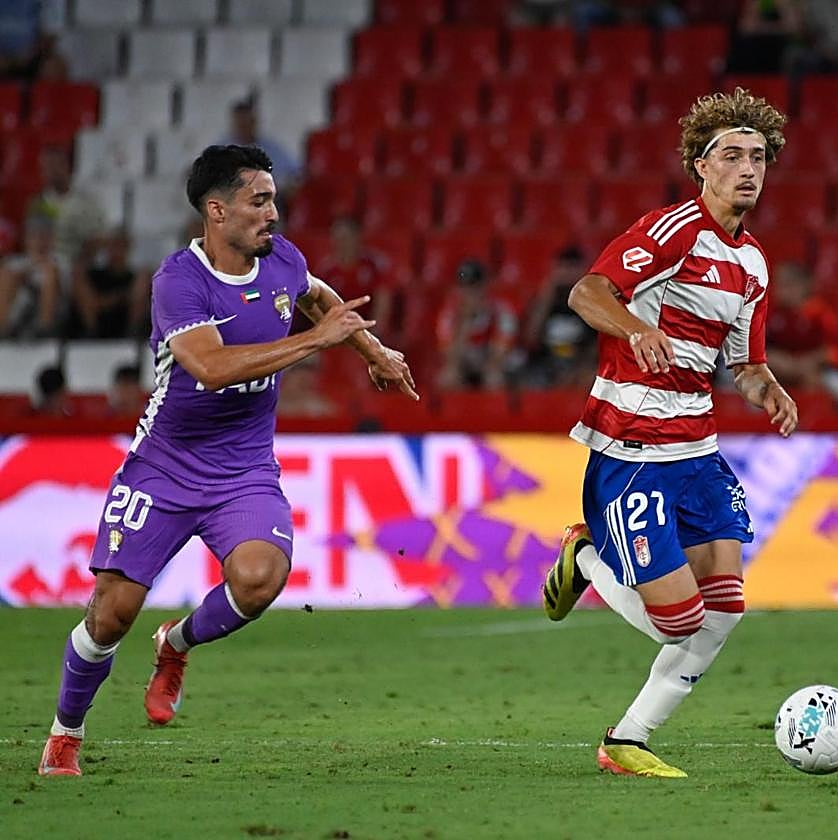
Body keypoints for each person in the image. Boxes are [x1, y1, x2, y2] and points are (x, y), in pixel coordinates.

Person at [36, 144, 418, 777]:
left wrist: (372, 350)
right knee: (110, 614)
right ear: (217, 211)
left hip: (242, 469)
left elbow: (321, 299)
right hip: (164, 465)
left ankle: (175, 644)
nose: (273, 213)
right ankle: (65, 733)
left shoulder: (283, 259)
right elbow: (210, 368)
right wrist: (314, 343)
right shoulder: (177, 282)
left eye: (273, 199)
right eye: (258, 201)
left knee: (261, 577)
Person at [540, 88, 798, 778]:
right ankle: (584, 556)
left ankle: (628, 740)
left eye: (759, 157)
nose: (748, 168)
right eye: (732, 155)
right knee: (675, 622)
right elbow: (587, 294)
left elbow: (743, 362)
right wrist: (638, 328)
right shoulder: (673, 230)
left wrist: (765, 386)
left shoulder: (753, 265)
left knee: (726, 609)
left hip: (699, 451)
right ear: (701, 166)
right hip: (634, 452)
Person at [764, 261, 838, 405]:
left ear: (803, 286)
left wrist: (807, 363)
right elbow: (758, 348)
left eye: (788, 285)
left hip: (816, 371)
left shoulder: (821, 313)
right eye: (779, 285)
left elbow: (833, 351)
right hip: (779, 370)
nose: (781, 290)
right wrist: (777, 361)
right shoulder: (771, 313)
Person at [314, 216, 402, 347]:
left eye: (346, 238)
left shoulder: (374, 265)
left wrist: (372, 336)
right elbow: (318, 309)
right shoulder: (326, 270)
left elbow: (383, 304)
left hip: (370, 332)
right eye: (337, 238)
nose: (341, 243)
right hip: (336, 332)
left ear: (357, 238)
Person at [435, 258, 518, 390]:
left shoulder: (501, 312)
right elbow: (450, 356)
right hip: (463, 363)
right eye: (464, 287)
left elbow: (499, 355)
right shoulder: (450, 315)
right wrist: (465, 321)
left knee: (493, 378)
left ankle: (494, 410)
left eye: (474, 287)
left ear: (485, 286)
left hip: (492, 363)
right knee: (448, 377)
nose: (469, 293)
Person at [522, 245, 596, 388]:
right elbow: (530, 337)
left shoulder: (590, 302)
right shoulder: (544, 301)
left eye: (572, 269)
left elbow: (595, 345)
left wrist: (578, 369)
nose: (567, 274)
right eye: (564, 269)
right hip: (545, 364)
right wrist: (547, 294)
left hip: (578, 364)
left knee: (590, 376)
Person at [69, 228, 151, 338]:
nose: (117, 251)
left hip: (124, 323)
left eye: (121, 246)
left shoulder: (135, 278)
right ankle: (92, 331)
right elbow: (92, 302)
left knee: (146, 277)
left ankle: (133, 331)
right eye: (113, 246)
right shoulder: (94, 275)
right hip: (96, 324)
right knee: (78, 279)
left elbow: (136, 298)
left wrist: (108, 301)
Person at [0, 212, 62, 338]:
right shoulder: (14, 262)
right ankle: (3, 330)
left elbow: (61, 286)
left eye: (45, 236)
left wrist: (39, 265)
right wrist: (31, 267)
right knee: (7, 276)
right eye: (35, 236)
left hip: (51, 316)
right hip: (17, 314)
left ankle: (43, 330)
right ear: (26, 239)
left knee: (50, 274)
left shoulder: (59, 261)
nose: (40, 241)